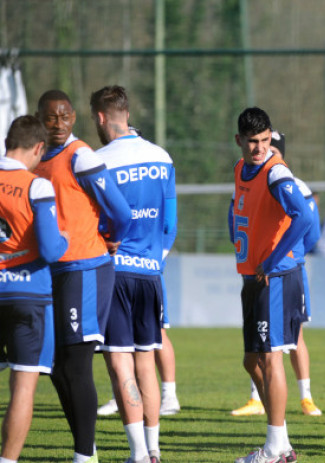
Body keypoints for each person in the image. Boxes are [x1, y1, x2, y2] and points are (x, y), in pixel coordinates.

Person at [34, 89, 131, 463]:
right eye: (50, 117)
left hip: (85, 271)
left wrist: (111, 240)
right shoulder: (38, 159)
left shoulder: (81, 156)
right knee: (56, 367)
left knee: (76, 363)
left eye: (64, 116)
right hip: (53, 272)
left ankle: (84, 455)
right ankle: (87, 450)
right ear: (40, 119)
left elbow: (120, 212)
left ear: (74, 118)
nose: (57, 124)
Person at [89, 85, 176, 463]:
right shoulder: (162, 156)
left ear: (101, 117)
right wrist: (155, 260)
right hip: (151, 274)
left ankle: (138, 453)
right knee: (146, 361)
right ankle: (154, 450)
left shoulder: (97, 160)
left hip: (115, 272)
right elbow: (170, 224)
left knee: (119, 361)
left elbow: (94, 222)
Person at [230, 108, 310, 463]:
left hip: (275, 277)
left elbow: (303, 216)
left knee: (271, 356)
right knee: (252, 361)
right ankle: (282, 442)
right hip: (254, 277)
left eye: (265, 140)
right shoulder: (239, 169)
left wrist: (273, 259)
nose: (260, 148)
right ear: (239, 141)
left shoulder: (275, 172)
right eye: (253, 141)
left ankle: (275, 447)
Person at [0, 116, 70, 463]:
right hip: (28, 295)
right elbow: (50, 249)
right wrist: (65, 239)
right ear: (39, 148)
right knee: (23, 387)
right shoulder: (36, 185)